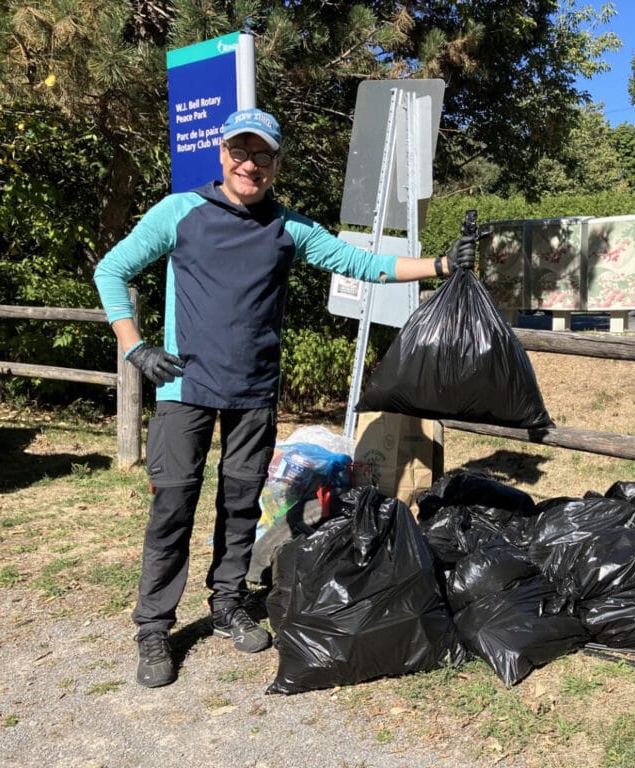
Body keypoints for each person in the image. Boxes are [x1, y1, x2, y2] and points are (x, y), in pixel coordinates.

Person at [93, 108, 476, 688]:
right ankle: (153, 627)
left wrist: (443, 264)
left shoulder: (288, 227)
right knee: (172, 507)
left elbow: (362, 264)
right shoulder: (180, 211)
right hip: (182, 388)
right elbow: (111, 269)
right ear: (222, 155)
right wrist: (135, 348)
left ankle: (226, 602)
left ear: (276, 164)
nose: (250, 164)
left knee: (241, 504)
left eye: (263, 155)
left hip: (253, 392)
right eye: (241, 152)